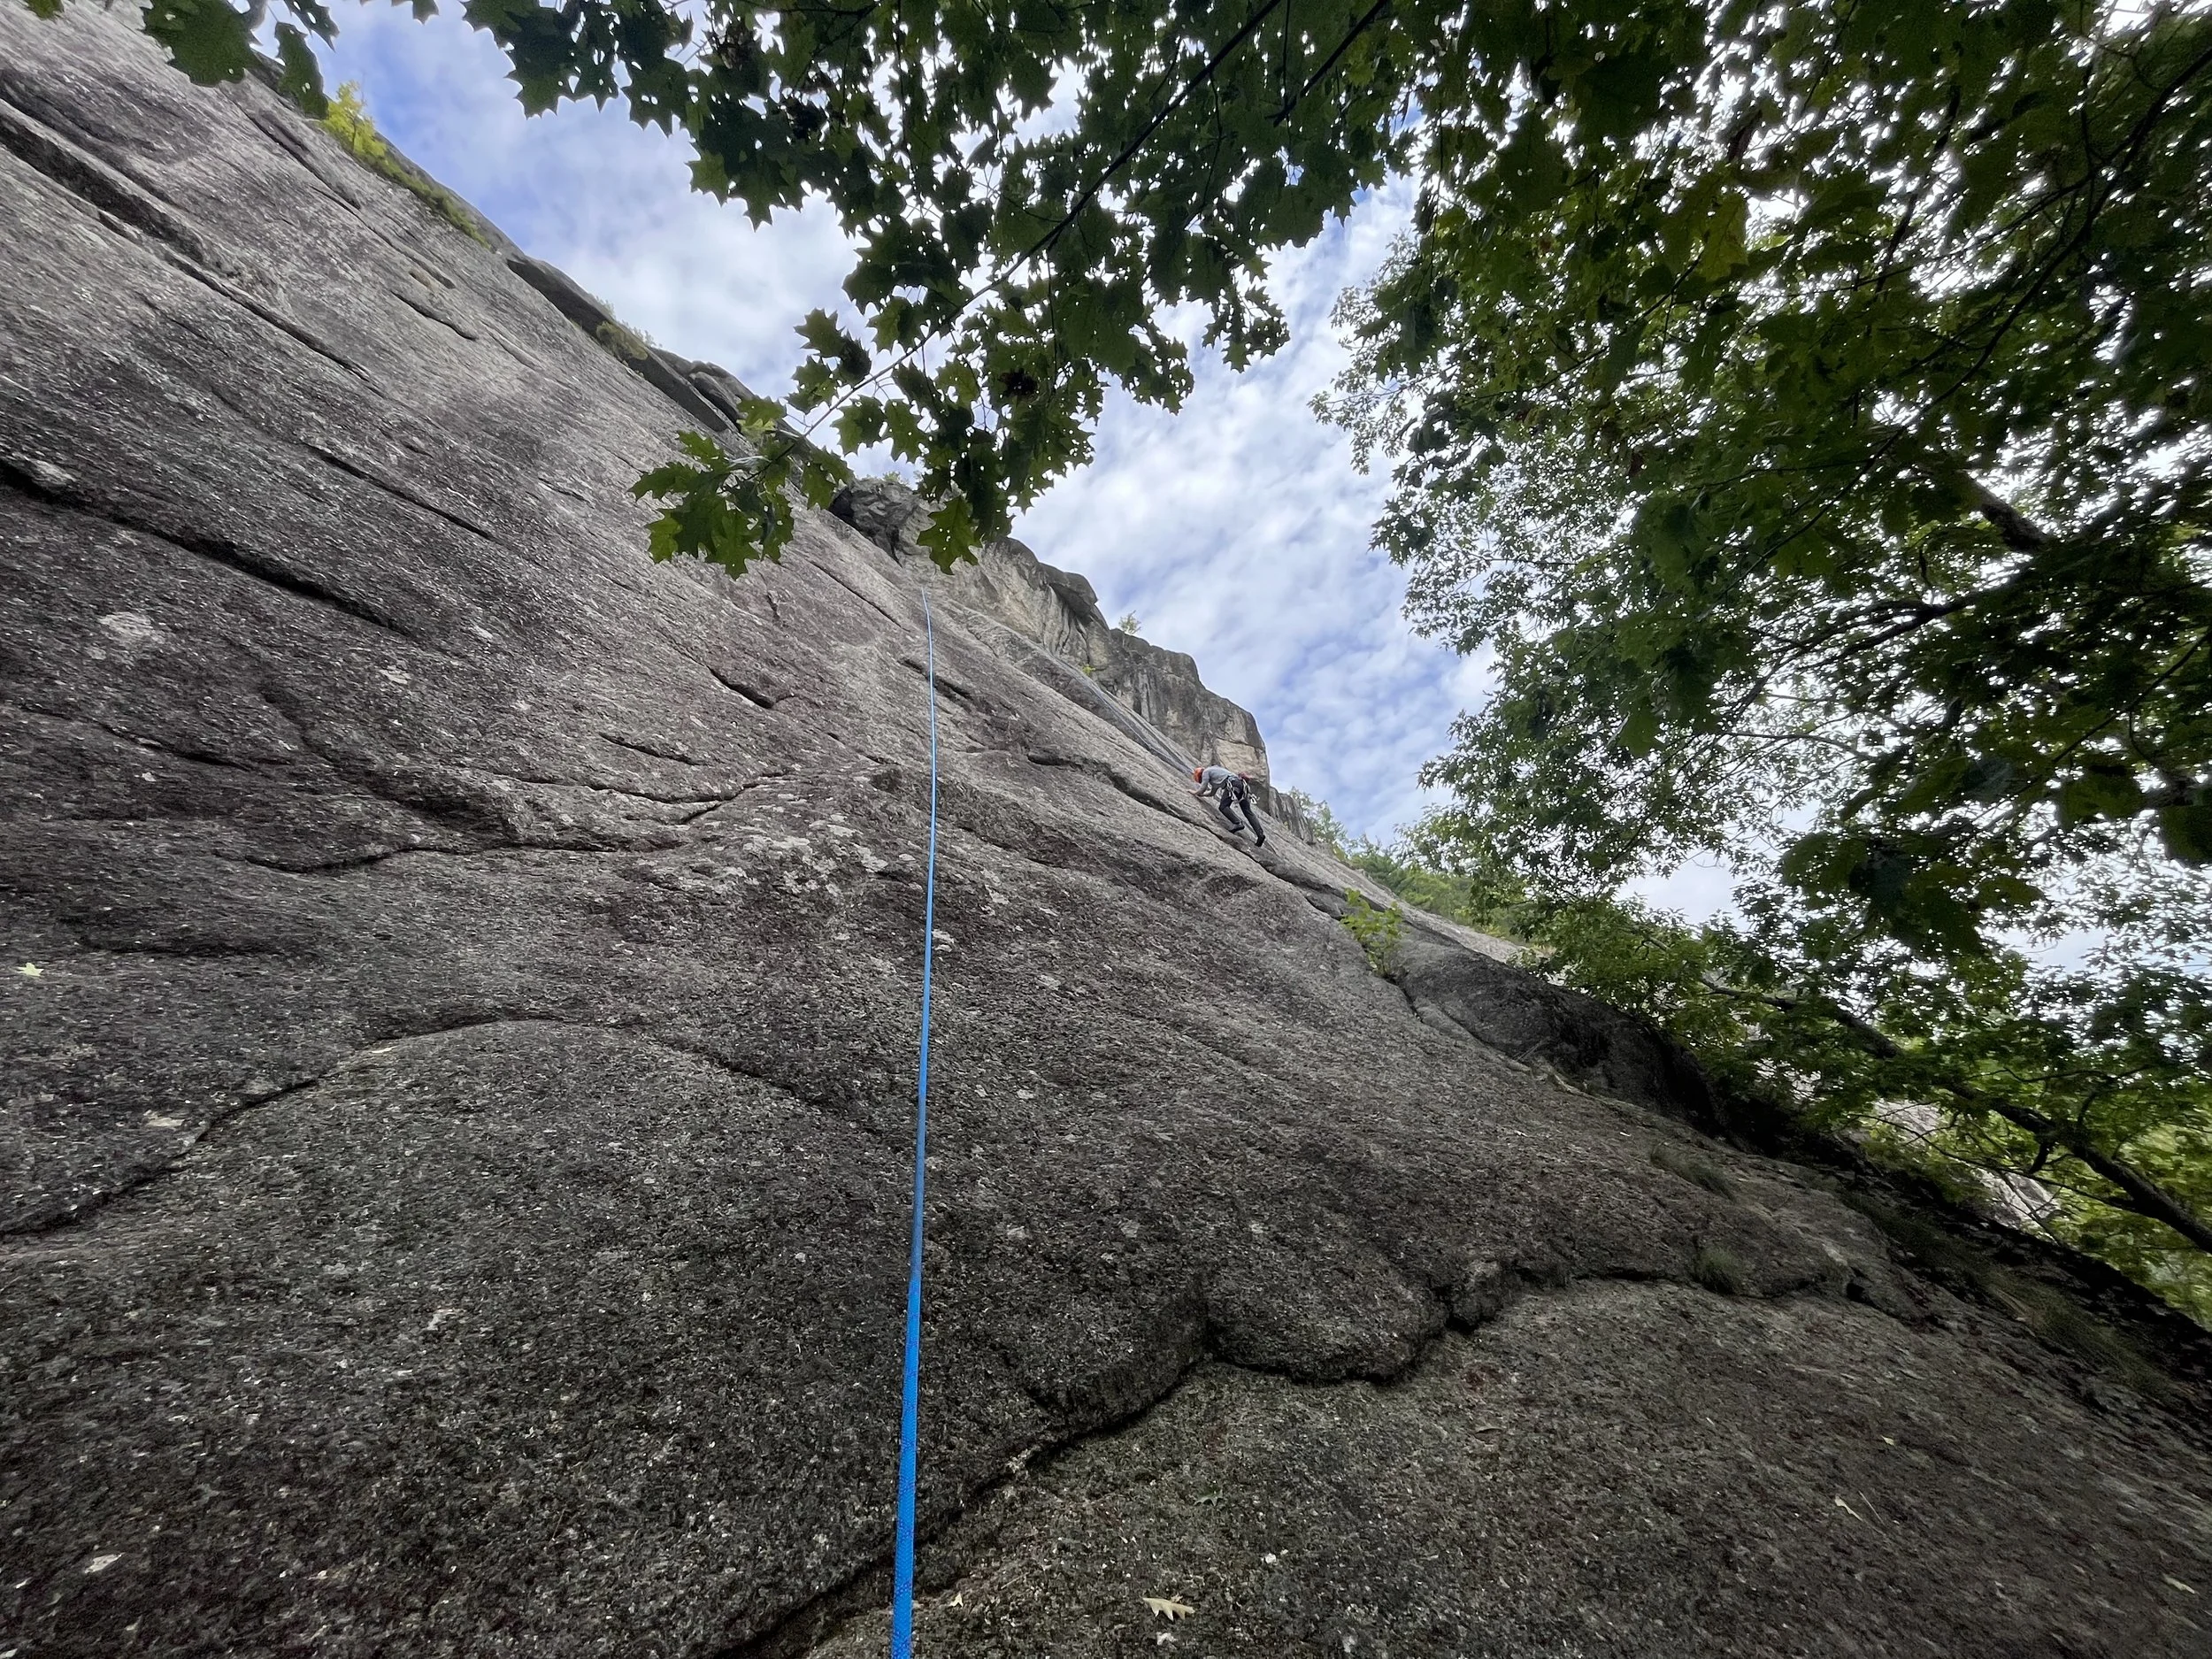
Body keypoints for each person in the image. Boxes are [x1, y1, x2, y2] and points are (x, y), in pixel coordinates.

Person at [1192, 764, 1266, 846]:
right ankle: (1260, 835)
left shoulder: (1206, 772)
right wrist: (1201, 795)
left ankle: (1238, 823)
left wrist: (1194, 793)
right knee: (1247, 811)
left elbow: (1203, 788)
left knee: (1223, 807)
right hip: (1241, 784)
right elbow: (1211, 793)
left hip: (1232, 784)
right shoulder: (1215, 774)